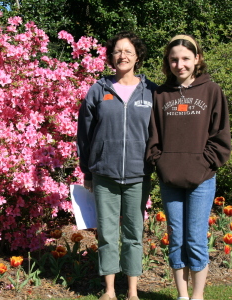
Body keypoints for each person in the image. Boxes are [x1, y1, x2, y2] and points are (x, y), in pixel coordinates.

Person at [146, 34, 232, 300]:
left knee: (195, 239)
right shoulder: (160, 94)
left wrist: (203, 164)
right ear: (167, 62)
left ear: (197, 59)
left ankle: (197, 296)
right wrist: (161, 163)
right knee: (176, 239)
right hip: (170, 178)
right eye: (173, 59)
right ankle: (182, 296)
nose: (179, 64)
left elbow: (220, 137)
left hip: (202, 179)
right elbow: (153, 137)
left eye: (185, 58)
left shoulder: (212, 91)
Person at [77, 31, 157, 300]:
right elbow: (84, 134)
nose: (122, 55)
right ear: (111, 57)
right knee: (108, 235)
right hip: (105, 174)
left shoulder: (152, 92)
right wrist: (87, 170)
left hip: (138, 174)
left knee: (134, 234)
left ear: (137, 56)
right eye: (117, 51)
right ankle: (110, 290)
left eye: (128, 51)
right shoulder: (98, 90)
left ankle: (132, 292)